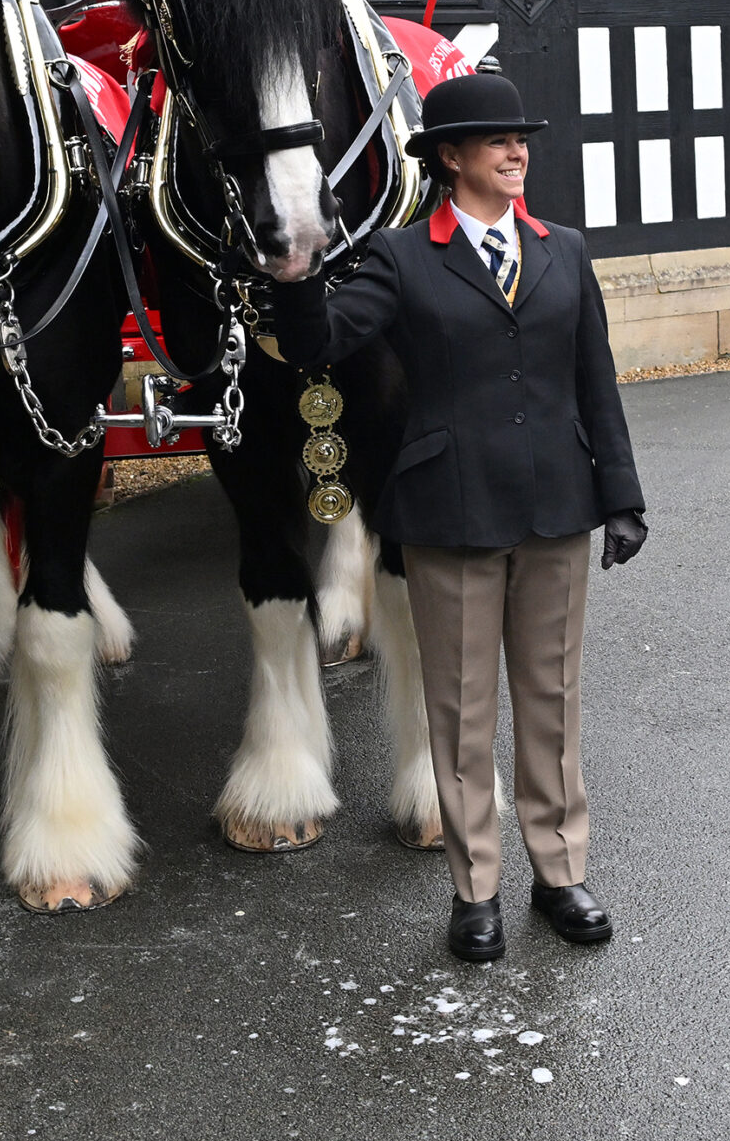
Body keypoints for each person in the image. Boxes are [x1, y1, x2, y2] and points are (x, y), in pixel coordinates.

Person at [271, 71, 648, 965]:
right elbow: (320, 342)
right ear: (451, 158)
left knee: (552, 705)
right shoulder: (403, 259)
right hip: (449, 513)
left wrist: (622, 497)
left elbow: (595, 381)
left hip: (558, 507)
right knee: (464, 710)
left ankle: (559, 873)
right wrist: (293, 272)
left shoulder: (566, 250)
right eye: (497, 141)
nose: (519, 153)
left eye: (523, 139)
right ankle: (474, 885)